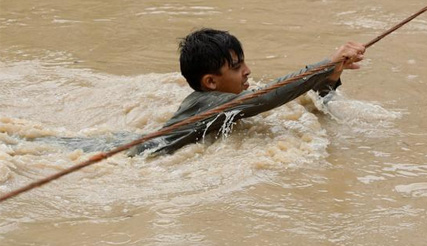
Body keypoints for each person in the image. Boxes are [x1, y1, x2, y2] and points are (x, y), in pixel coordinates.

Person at [132, 28, 366, 156]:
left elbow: (310, 104)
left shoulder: (222, 99)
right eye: (236, 67)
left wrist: (332, 75)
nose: (247, 71)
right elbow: (267, 96)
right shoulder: (211, 102)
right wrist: (325, 64)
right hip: (141, 153)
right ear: (211, 82)